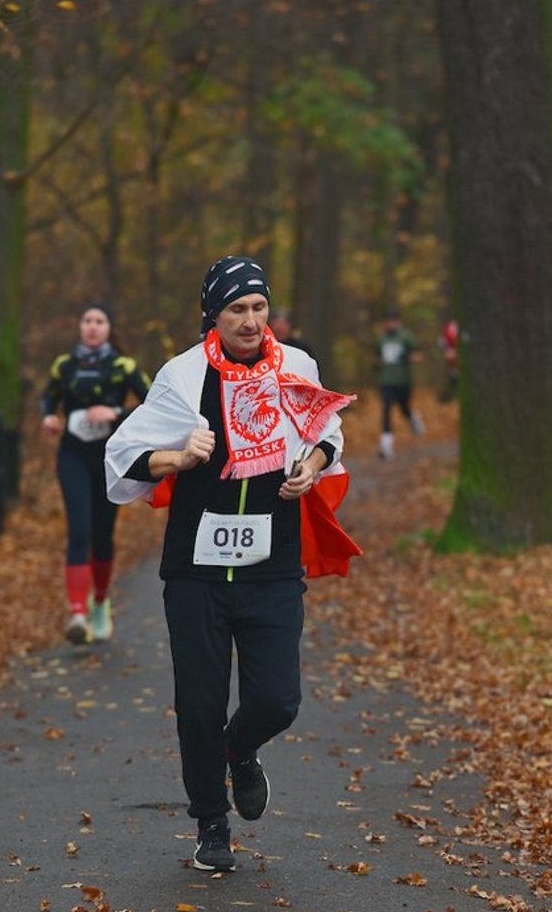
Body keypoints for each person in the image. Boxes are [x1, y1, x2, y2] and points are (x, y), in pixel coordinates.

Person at [105, 256, 360, 874]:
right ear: (212, 317)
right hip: (195, 570)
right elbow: (121, 458)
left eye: (258, 307)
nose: (250, 321)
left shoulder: (296, 366)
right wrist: (175, 455)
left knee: (277, 699)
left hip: (271, 563)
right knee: (198, 700)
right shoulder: (183, 376)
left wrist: (315, 462)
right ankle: (211, 824)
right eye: (237, 310)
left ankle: (238, 751)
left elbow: (328, 431)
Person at [40, 303, 150, 645]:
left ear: (108, 328)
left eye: (99, 321)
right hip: (72, 455)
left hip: (109, 459)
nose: (91, 327)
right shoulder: (65, 365)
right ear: (79, 326)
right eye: (86, 321)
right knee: (80, 530)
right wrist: (49, 417)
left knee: (102, 535)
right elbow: (48, 398)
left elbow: (151, 403)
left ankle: (100, 601)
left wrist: (115, 411)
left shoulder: (122, 365)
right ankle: (77, 613)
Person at [375, 309, 422, 458]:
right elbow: (376, 357)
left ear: (398, 322)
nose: (390, 324)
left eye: (393, 321)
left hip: (403, 381)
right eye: (387, 321)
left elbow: (418, 355)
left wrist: (407, 357)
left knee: (403, 408)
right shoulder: (382, 339)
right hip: (387, 381)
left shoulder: (406, 337)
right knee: (386, 409)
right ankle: (386, 445)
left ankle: (412, 417)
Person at [437, 318, 460, 402]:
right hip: (453, 360)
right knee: (452, 374)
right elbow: (441, 341)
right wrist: (447, 350)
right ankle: (449, 395)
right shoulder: (451, 326)